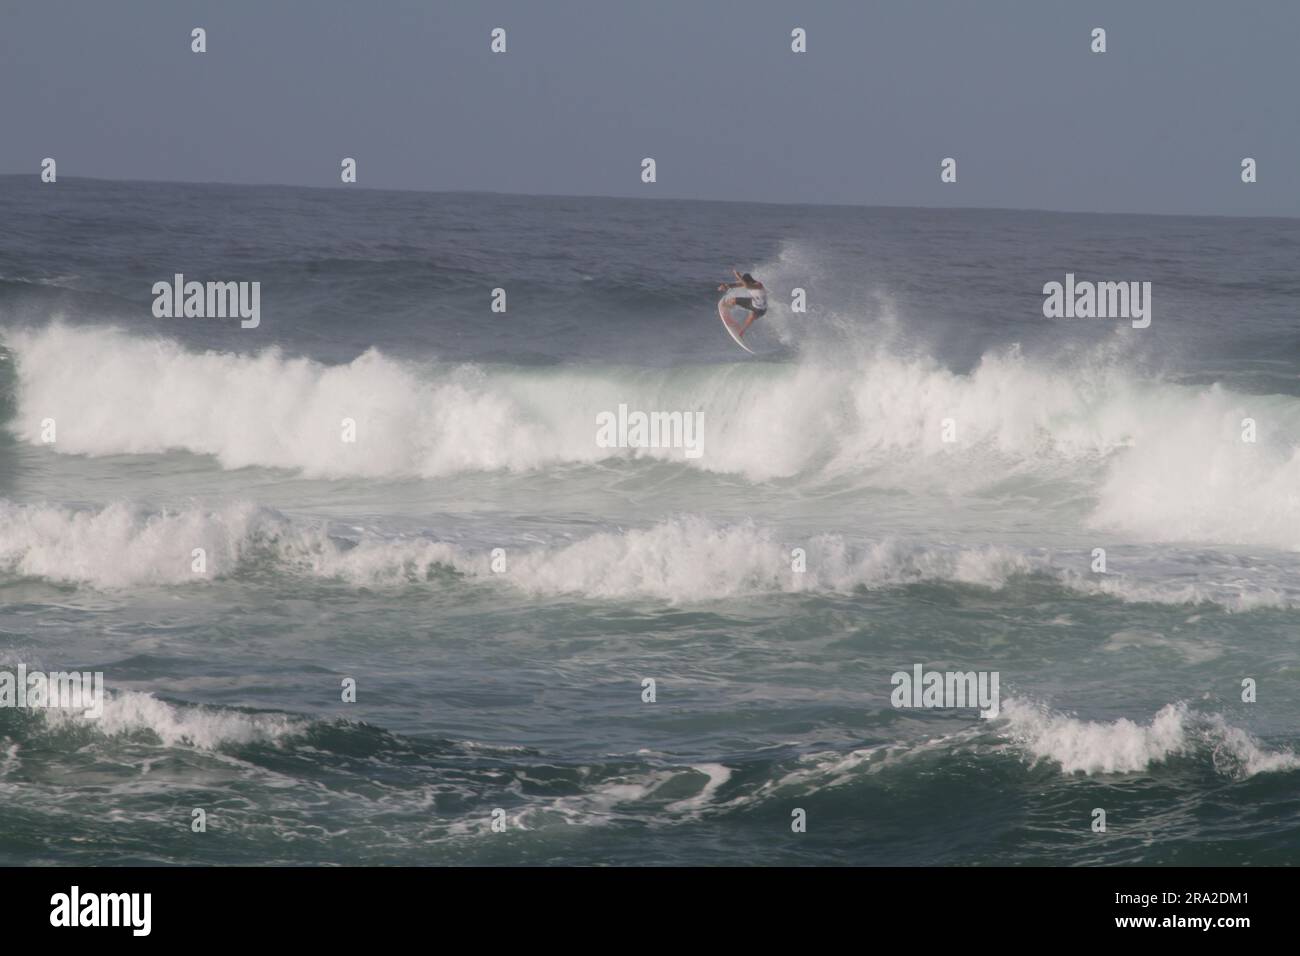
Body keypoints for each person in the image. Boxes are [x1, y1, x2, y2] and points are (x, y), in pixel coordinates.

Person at [718, 270, 767, 337]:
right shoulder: (747, 283)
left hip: (760, 309)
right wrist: (725, 286)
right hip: (752, 303)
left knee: (752, 316)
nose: (742, 283)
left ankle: (741, 332)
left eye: (744, 282)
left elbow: (747, 286)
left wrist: (738, 276)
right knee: (733, 300)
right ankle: (726, 308)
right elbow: (736, 285)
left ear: (749, 281)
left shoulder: (758, 285)